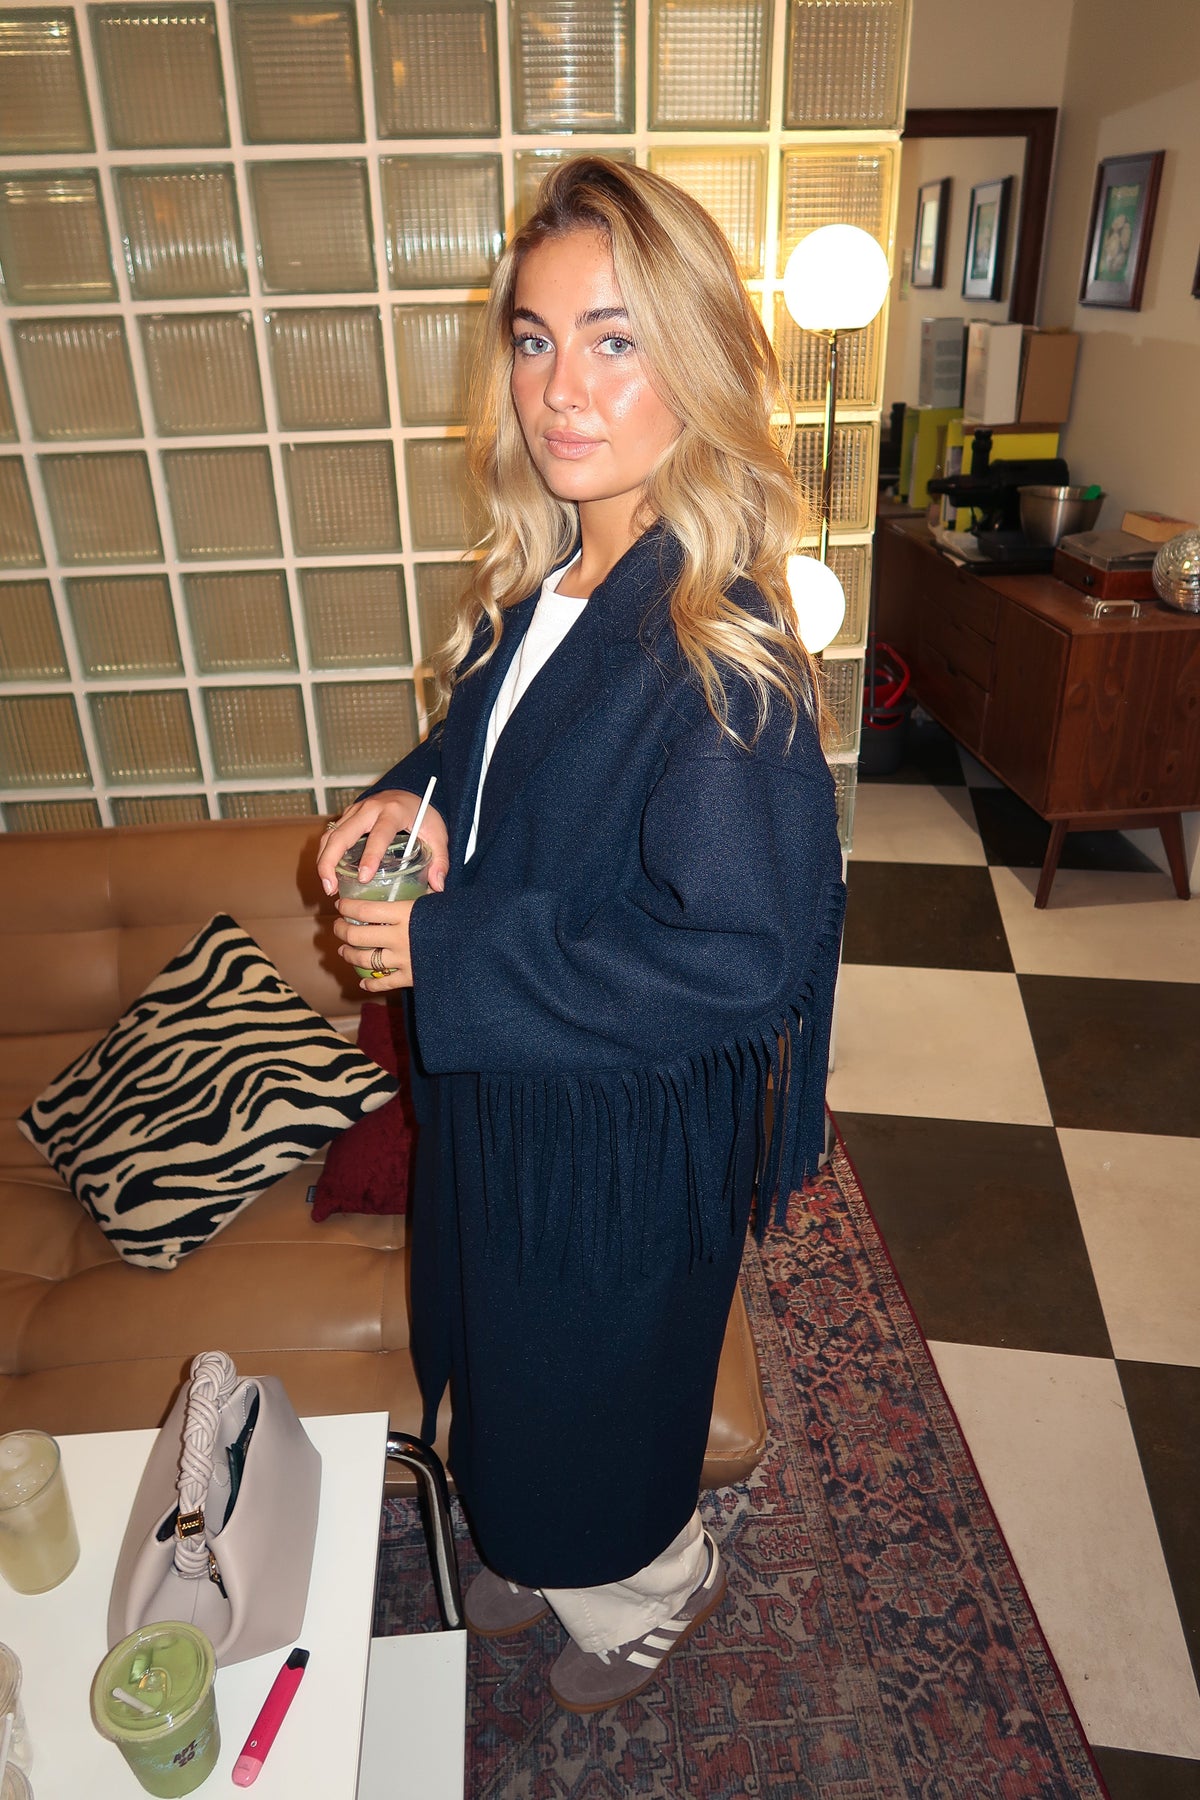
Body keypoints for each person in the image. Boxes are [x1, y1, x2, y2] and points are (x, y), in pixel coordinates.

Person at [316, 155, 845, 1714]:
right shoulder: (552, 578)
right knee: (507, 1365)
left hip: (612, 1134)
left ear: (699, 359)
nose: (561, 389)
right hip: (516, 1090)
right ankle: (538, 1537)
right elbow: (490, 763)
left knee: (593, 1396)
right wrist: (409, 800)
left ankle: (645, 1585)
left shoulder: (721, 657)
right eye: (537, 339)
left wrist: (450, 956)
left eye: (615, 341)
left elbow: (739, 964)